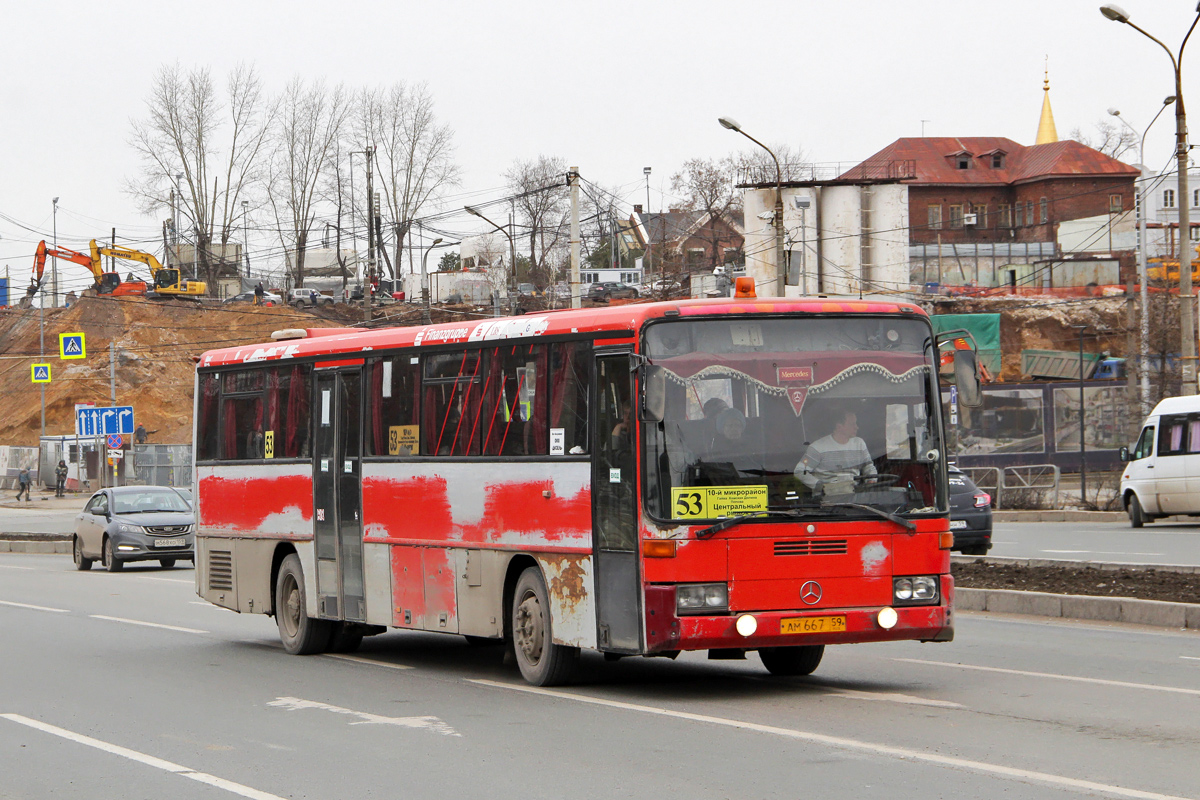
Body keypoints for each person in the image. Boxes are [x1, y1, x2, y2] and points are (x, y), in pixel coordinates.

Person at [795, 409, 876, 495]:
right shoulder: (818, 447)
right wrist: (821, 487)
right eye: (852, 424)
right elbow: (800, 472)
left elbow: (869, 467)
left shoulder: (859, 444)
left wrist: (871, 481)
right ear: (839, 426)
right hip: (826, 501)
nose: (856, 427)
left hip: (855, 498)